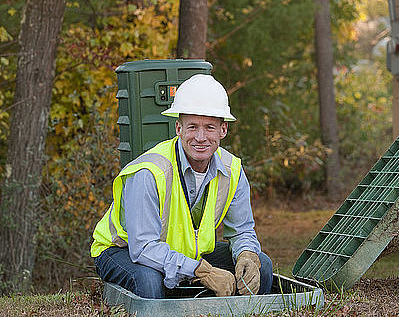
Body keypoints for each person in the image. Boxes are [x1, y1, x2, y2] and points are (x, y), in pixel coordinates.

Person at [90, 74, 272, 299]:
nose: (201, 137)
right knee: (149, 281)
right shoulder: (149, 172)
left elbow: (242, 230)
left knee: (261, 265)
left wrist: (247, 255)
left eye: (210, 128)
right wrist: (202, 271)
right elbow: (144, 248)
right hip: (122, 250)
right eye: (193, 127)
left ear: (223, 130)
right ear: (179, 128)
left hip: (185, 253)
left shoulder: (232, 170)